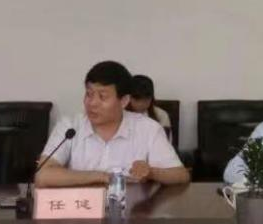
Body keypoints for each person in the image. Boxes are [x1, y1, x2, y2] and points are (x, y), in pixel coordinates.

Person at [36, 61, 189, 187]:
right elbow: (43, 176)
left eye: (102, 96)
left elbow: (180, 175)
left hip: (133, 212)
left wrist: (151, 172)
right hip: (81, 211)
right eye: (89, 94)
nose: (92, 103)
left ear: (124, 101)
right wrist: (102, 176)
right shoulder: (70, 126)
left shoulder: (148, 128)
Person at [129, 74, 173, 142]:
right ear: (128, 97)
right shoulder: (120, 114)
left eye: (146, 100)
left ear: (152, 98)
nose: (141, 104)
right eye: (137, 100)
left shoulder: (161, 115)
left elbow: (165, 143)